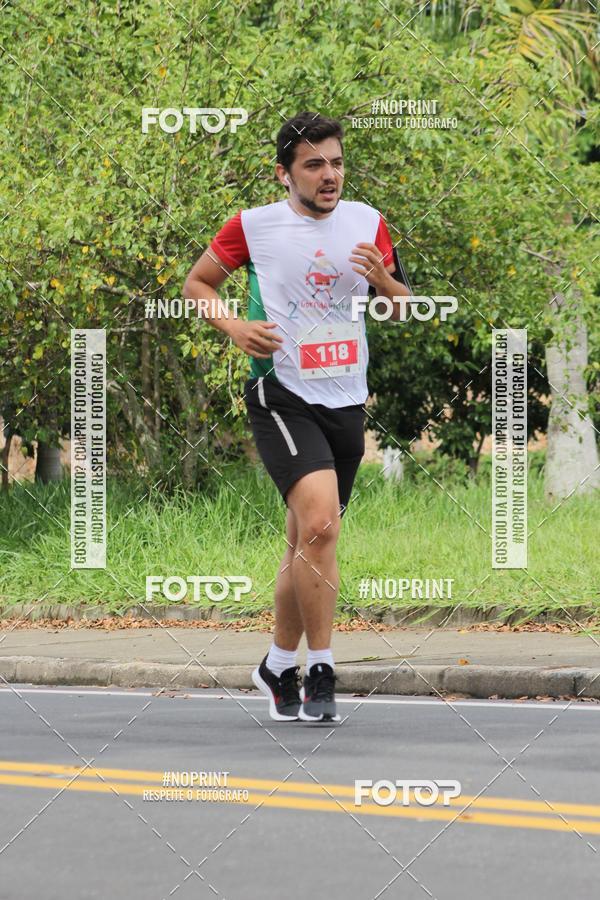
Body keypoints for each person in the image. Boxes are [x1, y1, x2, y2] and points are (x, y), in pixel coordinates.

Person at [183, 111, 410, 722]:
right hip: (280, 392)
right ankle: (322, 670)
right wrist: (233, 325)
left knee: (305, 543)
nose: (328, 175)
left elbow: (402, 305)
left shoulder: (368, 222)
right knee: (320, 527)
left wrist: (382, 279)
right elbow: (197, 284)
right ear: (285, 173)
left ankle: (276, 665)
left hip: (346, 398)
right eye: (314, 165)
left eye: (336, 162)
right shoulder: (255, 227)